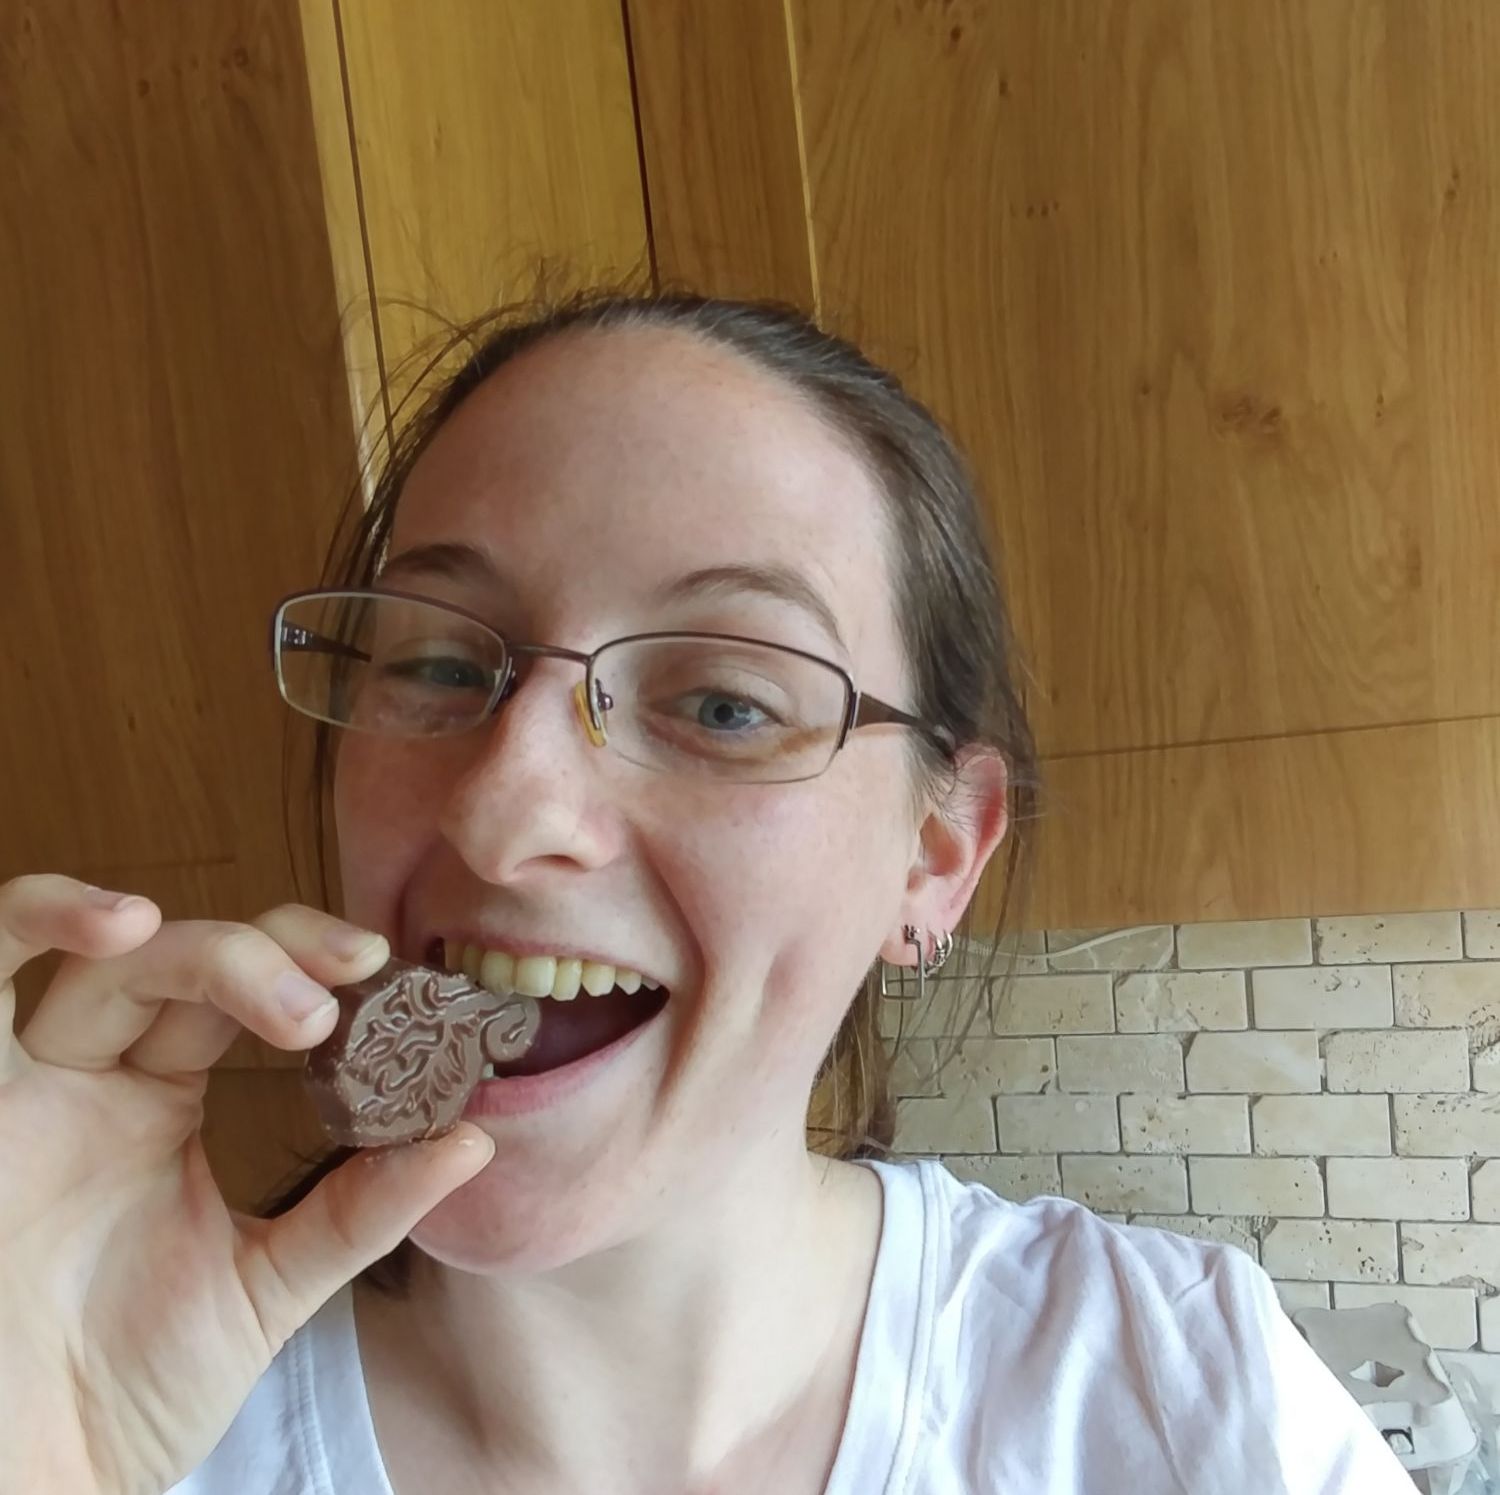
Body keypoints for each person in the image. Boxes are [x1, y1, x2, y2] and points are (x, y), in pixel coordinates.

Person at [3, 292, 1412, 1494]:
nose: (503, 811)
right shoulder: (140, 1420)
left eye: (729, 704)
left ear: (935, 856)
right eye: (437, 665)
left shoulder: (1186, 1408)